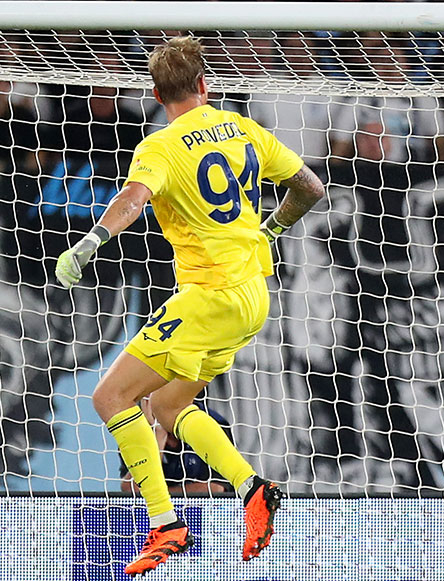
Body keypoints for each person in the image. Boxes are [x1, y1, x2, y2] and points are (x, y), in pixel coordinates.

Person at [53, 37, 326, 576]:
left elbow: (132, 199)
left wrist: (90, 243)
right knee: (168, 408)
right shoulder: (244, 128)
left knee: (110, 397)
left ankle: (165, 525)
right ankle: (254, 489)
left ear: (156, 94)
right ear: (206, 84)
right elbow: (310, 188)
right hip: (252, 297)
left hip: (208, 297)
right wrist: (271, 227)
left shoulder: (160, 147)